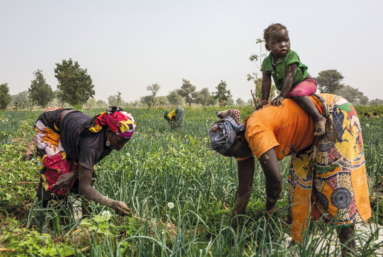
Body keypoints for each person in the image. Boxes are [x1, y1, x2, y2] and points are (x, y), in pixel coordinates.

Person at [209, 94, 371, 256]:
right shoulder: (241, 142)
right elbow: (244, 190)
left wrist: (270, 210)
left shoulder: (255, 131)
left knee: (336, 187)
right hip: (306, 139)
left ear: (237, 140)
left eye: (232, 154)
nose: (235, 157)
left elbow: (275, 179)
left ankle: (349, 250)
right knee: (298, 189)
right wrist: (232, 229)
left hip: (330, 114)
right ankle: (299, 247)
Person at [33, 106, 134, 216]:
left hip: (70, 125)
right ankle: (47, 217)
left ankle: (86, 218)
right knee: (58, 176)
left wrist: (73, 174)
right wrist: (113, 204)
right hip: (51, 126)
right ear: (109, 132)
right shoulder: (92, 145)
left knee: (87, 174)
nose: (121, 146)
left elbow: (87, 164)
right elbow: (85, 187)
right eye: (119, 141)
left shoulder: (107, 138)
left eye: (125, 142)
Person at [257, 23, 326, 136]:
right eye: (276, 42)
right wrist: (264, 100)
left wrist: (282, 95)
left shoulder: (291, 55)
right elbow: (266, 81)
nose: (283, 45)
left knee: (297, 94)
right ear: (267, 47)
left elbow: (290, 77)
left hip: (305, 83)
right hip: (290, 90)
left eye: (286, 40)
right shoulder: (267, 62)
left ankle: (319, 118)